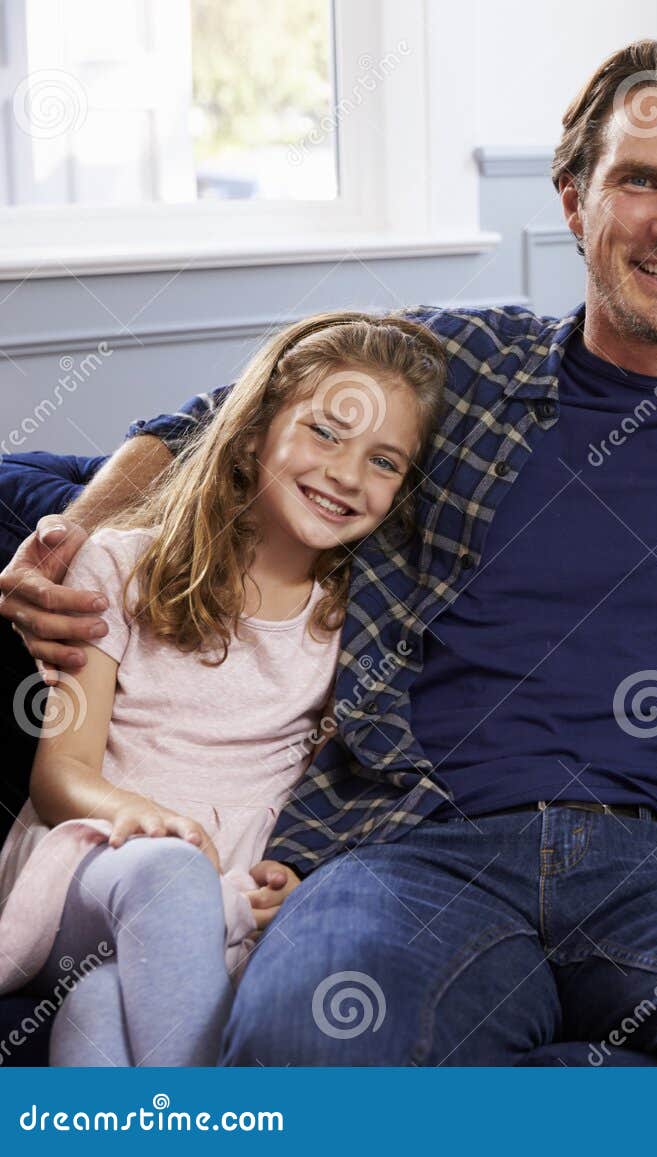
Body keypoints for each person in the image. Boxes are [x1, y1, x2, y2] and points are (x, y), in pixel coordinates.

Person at [0, 40, 657, 1066]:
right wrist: (73, 540)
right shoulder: (459, 362)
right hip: (418, 842)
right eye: (639, 179)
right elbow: (222, 418)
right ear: (572, 199)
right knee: (307, 1029)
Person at [0, 311, 446, 1065]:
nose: (345, 473)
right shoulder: (116, 565)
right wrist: (150, 821)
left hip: (229, 890)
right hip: (92, 863)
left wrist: (298, 875)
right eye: (325, 432)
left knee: (100, 1003)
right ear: (251, 438)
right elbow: (59, 775)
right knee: (169, 874)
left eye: (384, 460)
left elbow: (360, 783)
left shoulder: (357, 621)